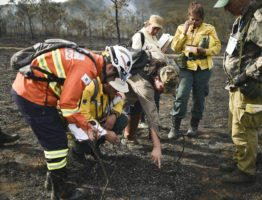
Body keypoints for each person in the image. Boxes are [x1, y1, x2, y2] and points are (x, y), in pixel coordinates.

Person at [11, 44, 132, 199]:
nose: (114, 81)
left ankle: (53, 181)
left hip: (34, 90)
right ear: (110, 68)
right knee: (57, 145)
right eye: (115, 76)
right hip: (33, 94)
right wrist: (88, 126)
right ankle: (61, 193)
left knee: (55, 142)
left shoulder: (90, 60)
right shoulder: (87, 69)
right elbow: (68, 106)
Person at [214, 0, 262, 183]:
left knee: (246, 128)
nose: (226, 9)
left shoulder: (259, 17)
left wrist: (248, 74)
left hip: (249, 86)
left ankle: (245, 171)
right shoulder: (241, 19)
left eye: (228, 4)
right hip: (237, 86)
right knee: (235, 129)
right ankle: (239, 161)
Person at [168, 1, 221, 139]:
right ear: (188, 16)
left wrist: (205, 51)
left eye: (197, 20)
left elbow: (217, 48)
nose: (194, 22)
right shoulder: (181, 28)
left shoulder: (209, 29)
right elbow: (175, 47)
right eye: (192, 19)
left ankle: (193, 126)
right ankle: (175, 127)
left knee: (199, 97)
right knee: (181, 95)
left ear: (202, 19)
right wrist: (184, 32)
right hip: (186, 67)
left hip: (203, 68)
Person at [123, 59, 179, 169]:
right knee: (111, 123)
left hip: (126, 96)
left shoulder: (160, 68)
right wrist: (157, 147)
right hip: (109, 99)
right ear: (157, 78)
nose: (164, 92)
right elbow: (152, 117)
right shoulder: (145, 87)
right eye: (163, 88)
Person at [123, 15, 168, 145]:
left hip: (151, 76)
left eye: (158, 29)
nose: (155, 31)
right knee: (134, 106)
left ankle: (152, 134)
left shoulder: (154, 37)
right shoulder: (140, 36)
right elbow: (135, 58)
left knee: (153, 105)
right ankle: (129, 136)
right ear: (148, 24)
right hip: (138, 76)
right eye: (154, 28)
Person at [69, 75, 129, 161]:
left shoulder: (111, 91)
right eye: (116, 88)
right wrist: (105, 132)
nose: (117, 91)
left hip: (97, 121)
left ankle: (95, 148)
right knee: (86, 136)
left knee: (122, 120)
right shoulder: (90, 88)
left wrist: (114, 115)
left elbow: (118, 101)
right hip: (80, 123)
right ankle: (77, 152)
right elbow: (83, 116)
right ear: (107, 84)